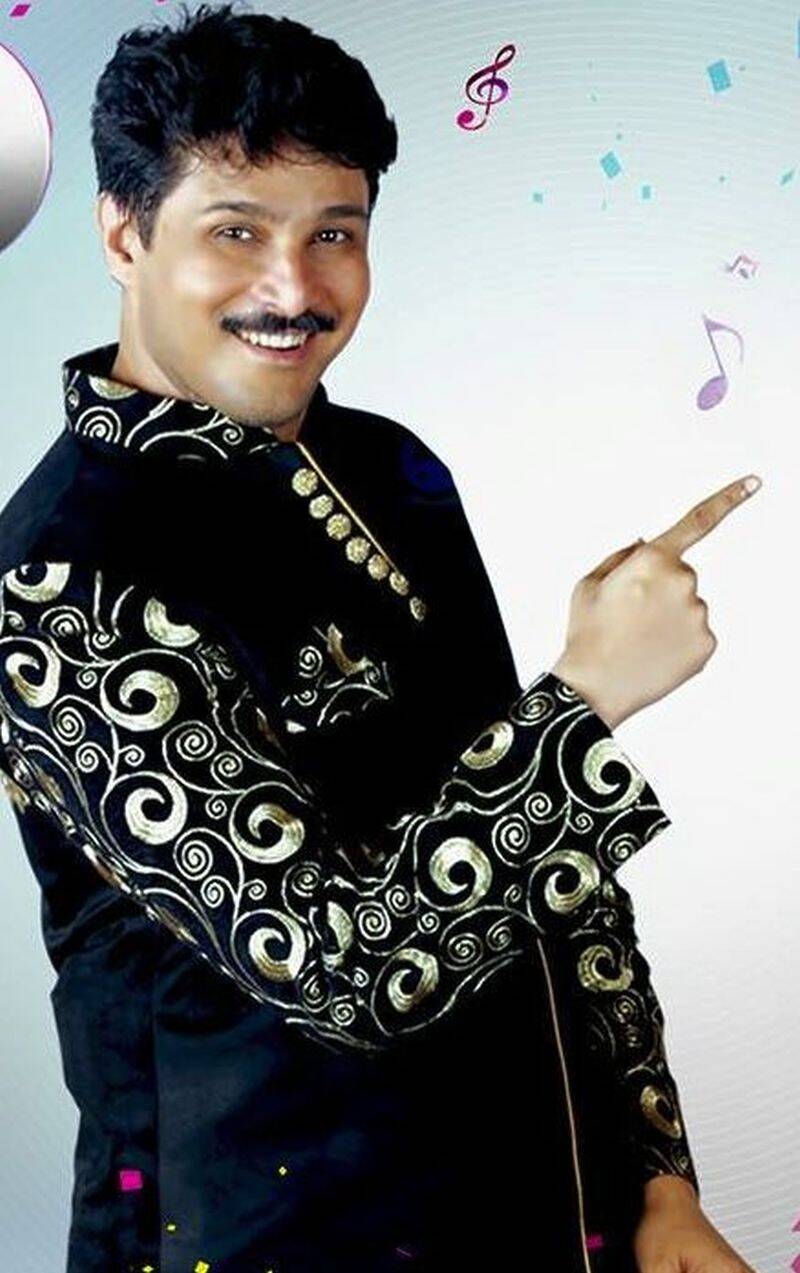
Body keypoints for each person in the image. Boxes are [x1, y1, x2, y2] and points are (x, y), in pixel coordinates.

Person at [0, 3, 759, 1270]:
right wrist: (583, 702)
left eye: (332, 233)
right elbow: (340, 971)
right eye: (235, 231)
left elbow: (551, 865)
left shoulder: (391, 469)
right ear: (124, 234)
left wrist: (652, 1176)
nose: (292, 289)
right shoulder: (59, 579)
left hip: (529, 1224)